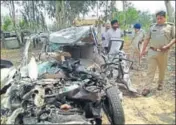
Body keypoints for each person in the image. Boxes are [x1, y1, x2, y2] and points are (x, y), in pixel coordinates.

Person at [140, 10, 175, 96]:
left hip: (164, 53)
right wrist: (143, 50)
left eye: (160, 18)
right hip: (152, 51)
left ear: (165, 18)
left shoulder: (170, 27)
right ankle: (147, 87)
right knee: (150, 70)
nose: (158, 20)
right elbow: (147, 40)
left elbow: (174, 38)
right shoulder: (152, 27)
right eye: (157, 18)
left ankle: (160, 84)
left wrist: (168, 46)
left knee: (162, 70)